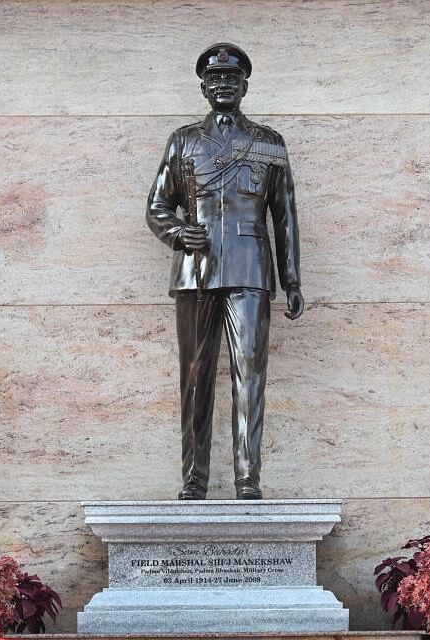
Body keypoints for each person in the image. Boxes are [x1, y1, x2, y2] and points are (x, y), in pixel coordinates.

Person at [146, 42, 304, 500]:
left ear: (244, 86)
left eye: (231, 80)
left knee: (250, 374)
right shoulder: (183, 141)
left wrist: (291, 279)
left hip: (251, 272)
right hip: (196, 272)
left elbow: (286, 217)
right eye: (214, 80)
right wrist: (176, 232)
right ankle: (194, 480)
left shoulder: (269, 144)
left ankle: (247, 480)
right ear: (203, 87)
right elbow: (158, 205)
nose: (222, 86)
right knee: (194, 376)